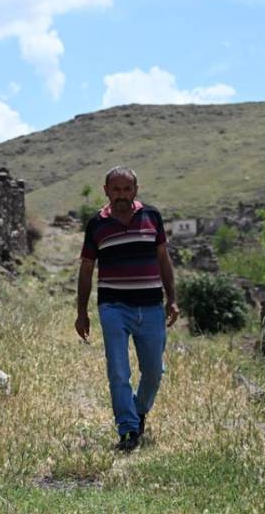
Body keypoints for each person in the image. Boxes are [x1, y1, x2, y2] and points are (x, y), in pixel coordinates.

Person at [76, 166, 178, 452]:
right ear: (106, 191)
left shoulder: (152, 217)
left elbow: (163, 260)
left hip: (151, 308)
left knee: (154, 371)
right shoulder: (97, 224)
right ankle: (128, 429)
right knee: (119, 371)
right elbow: (86, 269)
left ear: (136, 190)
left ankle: (139, 410)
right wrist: (81, 311)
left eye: (127, 189)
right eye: (116, 189)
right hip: (113, 308)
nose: (121, 195)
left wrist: (172, 299)